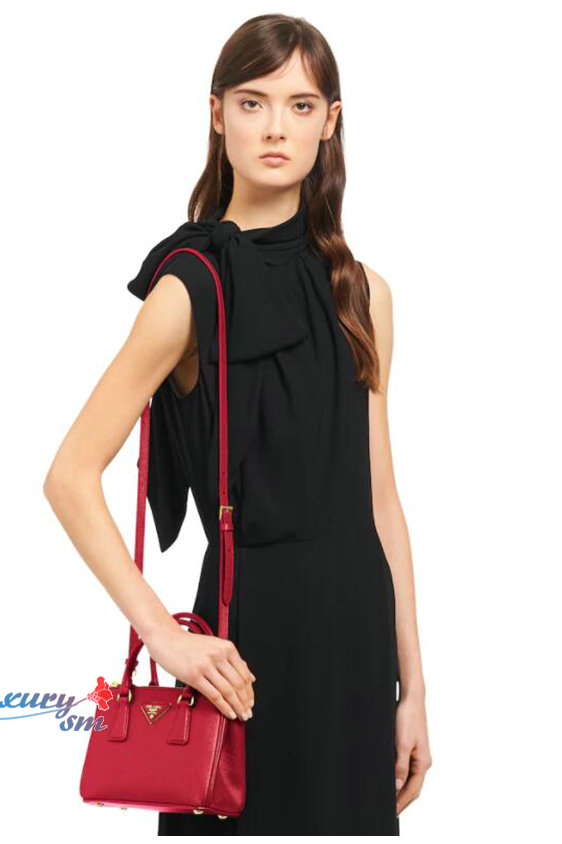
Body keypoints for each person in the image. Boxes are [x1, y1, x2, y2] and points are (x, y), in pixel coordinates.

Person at [44, 13, 431, 836]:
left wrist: (414, 691)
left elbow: (382, 504)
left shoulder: (364, 293)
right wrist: (163, 636)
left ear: (331, 122)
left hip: (356, 647)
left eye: (300, 105)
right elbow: (69, 475)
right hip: (243, 647)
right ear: (217, 114)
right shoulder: (189, 287)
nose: (276, 127)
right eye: (253, 103)